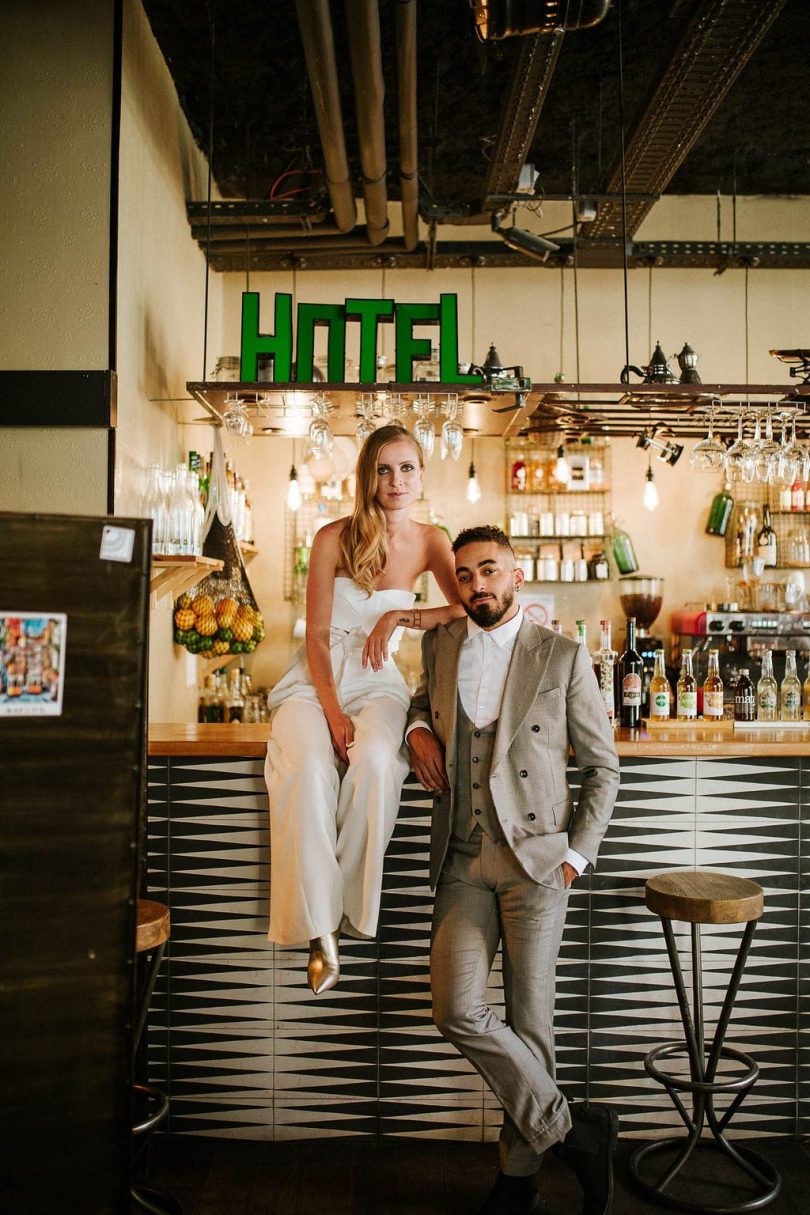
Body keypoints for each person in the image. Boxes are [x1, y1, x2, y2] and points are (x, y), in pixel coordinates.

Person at [407, 524, 621, 1215]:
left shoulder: (560, 654)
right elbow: (421, 703)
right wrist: (414, 729)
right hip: (462, 859)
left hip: (534, 861)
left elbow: (602, 767)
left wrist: (574, 855)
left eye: (489, 571)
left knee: (532, 1024)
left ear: (517, 574)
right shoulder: (438, 645)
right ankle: (576, 1129)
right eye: (465, 575)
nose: (477, 586)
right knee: (455, 1006)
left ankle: (518, 1176)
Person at [265, 424, 465, 995]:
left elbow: (467, 607)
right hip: (315, 683)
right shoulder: (333, 536)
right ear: (368, 477)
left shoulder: (432, 541)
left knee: (377, 763)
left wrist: (400, 617)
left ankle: (350, 909)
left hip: (380, 685)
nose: (395, 480)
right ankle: (319, 928)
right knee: (305, 770)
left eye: (406, 468)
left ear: (422, 474)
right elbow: (318, 637)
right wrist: (331, 714)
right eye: (383, 469)